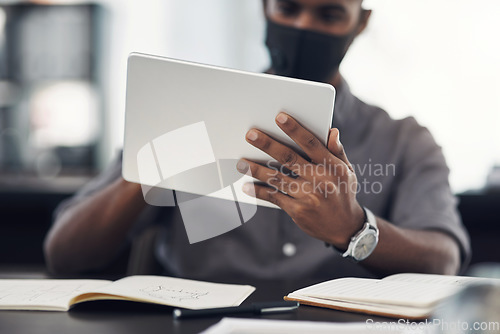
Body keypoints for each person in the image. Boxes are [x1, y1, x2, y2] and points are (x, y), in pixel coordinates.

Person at [44, 0, 470, 280]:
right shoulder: (186, 108)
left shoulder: (403, 140)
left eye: (329, 15)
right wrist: (149, 169)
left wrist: (354, 228)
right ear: (264, 8)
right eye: (288, 7)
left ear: (361, 22)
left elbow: (443, 261)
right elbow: (64, 255)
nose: (304, 26)